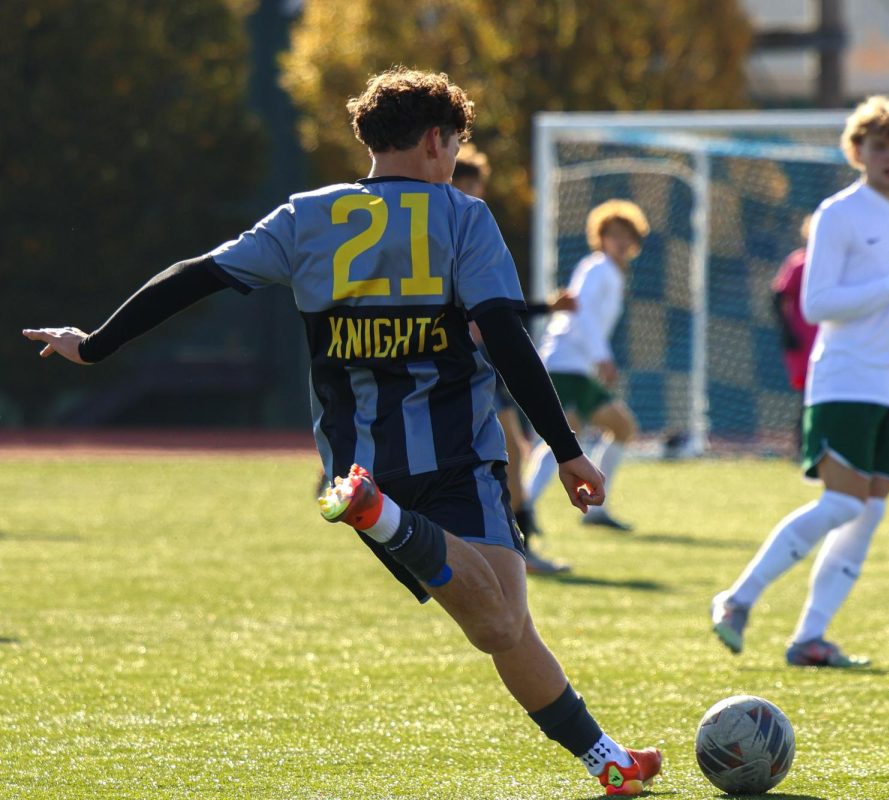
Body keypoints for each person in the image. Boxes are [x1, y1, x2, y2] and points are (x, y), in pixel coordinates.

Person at [23, 66, 661, 796]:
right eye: (454, 145)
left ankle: (606, 759)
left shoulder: (305, 216)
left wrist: (96, 343)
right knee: (494, 624)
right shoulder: (461, 216)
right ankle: (388, 518)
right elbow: (505, 338)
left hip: (358, 459)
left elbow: (195, 273)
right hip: (457, 452)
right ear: (433, 140)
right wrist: (568, 448)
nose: (453, 161)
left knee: (508, 623)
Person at [710, 95, 889, 668]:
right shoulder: (838, 214)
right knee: (842, 505)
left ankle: (811, 639)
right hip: (843, 380)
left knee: (867, 513)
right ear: (857, 152)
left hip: (888, 388)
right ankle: (737, 600)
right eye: (880, 145)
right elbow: (818, 302)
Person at [453, 143, 577, 575]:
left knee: (515, 450)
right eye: (468, 186)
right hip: (461, 365)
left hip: (487, 361)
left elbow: (498, 309)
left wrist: (545, 307)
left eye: (477, 187)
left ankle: (521, 545)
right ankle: (512, 548)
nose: (476, 195)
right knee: (503, 452)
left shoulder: (470, 229)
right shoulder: (449, 232)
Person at [519, 200, 648, 533]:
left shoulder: (614, 273)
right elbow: (580, 313)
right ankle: (524, 509)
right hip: (565, 363)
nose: (621, 241)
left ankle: (593, 508)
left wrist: (597, 358)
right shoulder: (596, 268)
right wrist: (602, 356)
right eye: (614, 234)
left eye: (627, 235)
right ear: (600, 237)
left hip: (580, 367)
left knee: (620, 428)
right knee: (564, 438)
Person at [771, 214, 819, 457]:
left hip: (830, 339)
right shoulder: (800, 263)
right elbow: (778, 297)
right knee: (809, 393)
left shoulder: (839, 264)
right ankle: (803, 445)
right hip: (804, 339)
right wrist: (786, 332)